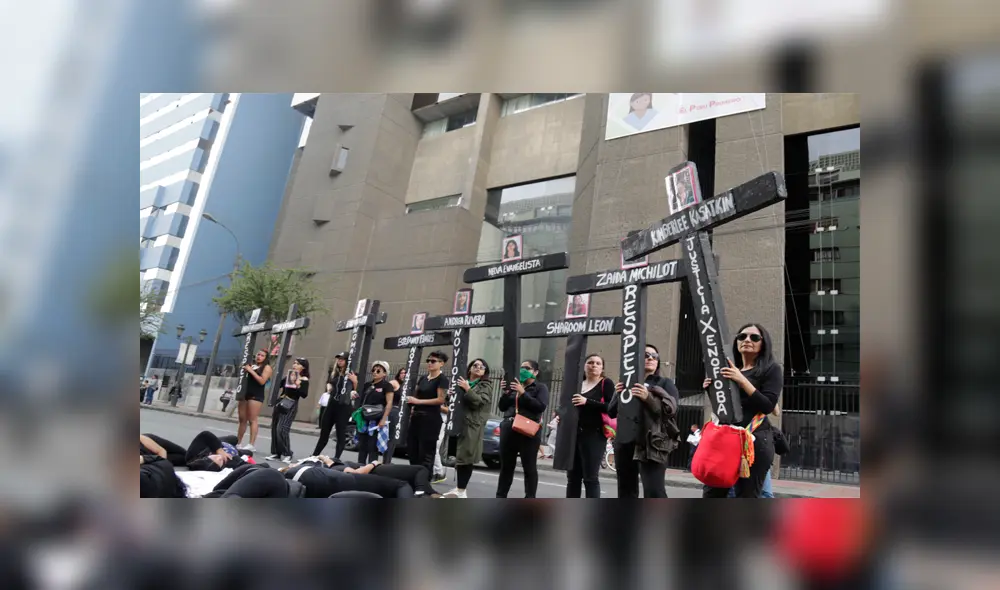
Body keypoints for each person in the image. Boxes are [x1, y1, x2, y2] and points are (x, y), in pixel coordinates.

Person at [701, 323, 782, 498]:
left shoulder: (771, 369)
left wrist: (741, 380)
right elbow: (725, 407)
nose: (747, 340)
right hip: (725, 441)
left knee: (746, 496)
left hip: (754, 442)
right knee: (711, 493)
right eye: (742, 336)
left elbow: (768, 406)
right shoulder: (728, 369)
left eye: (754, 337)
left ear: (763, 343)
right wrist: (711, 389)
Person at [608, 344, 680, 498]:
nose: (650, 358)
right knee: (626, 490)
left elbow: (671, 411)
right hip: (625, 441)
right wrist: (617, 394)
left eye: (654, 356)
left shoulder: (664, 383)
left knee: (654, 491)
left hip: (652, 443)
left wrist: (648, 397)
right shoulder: (626, 382)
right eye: (646, 355)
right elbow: (611, 412)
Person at [495, 360, 549, 498]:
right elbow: (502, 407)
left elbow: (540, 406)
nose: (523, 370)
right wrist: (507, 392)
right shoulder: (513, 386)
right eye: (521, 367)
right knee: (506, 467)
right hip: (509, 429)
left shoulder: (540, 388)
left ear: (535, 372)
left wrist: (523, 393)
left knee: (529, 467)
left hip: (528, 431)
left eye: (527, 368)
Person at [442, 359, 494, 498]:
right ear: (470, 368)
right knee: (459, 457)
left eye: (481, 366)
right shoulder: (462, 382)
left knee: (466, 458)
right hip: (458, 423)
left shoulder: (485, 385)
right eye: (475, 365)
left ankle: (462, 490)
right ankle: (459, 488)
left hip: (472, 425)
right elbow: (451, 403)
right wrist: (450, 395)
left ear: (485, 372)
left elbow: (479, 402)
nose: (478, 368)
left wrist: (467, 389)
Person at [566, 354, 615, 498]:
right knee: (572, 478)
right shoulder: (577, 383)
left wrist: (587, 402)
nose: (594, 365)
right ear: (584, 366)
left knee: (590, 477)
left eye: (598, 363)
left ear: (602, 368)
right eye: (590, 362)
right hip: (574, 434)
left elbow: (611, 408)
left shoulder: (606, 383)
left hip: (594, 434)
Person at [406, 351, 450, 476]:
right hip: (416, 417)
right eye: (428, 361)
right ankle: (414, 476)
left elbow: (441, 399)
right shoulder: (423, 378)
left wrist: (419, 402)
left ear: (441, 363)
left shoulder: (442, 379)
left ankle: (424, 479)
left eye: (433, 361)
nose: (430, 363)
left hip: (431, 419)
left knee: (426, 452)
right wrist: (413, 402)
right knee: (412, 448)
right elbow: (416, 393)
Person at [267, 358, 310, 463]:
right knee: (274, 427)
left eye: (298, 364)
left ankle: (287, 453)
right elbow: (279, 385)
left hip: (291, 404)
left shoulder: (304, 379)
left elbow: (304, 394)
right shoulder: (290, 375)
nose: (295, 365)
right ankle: (276, 453)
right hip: (281, 402)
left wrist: (298, 384)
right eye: (294, 363)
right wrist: (285, 378)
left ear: (303, 367)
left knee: (282, 429)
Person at [353, 360, 395, 465]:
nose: (375, 372)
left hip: (376, 419)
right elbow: (362, 400)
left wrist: (384, 419)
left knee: (373, 447)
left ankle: (371, 469)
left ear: (385, 373)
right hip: (364, 418)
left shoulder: (387, 386)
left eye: (378, 370)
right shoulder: (368, 385)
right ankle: (360, 467)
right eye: (374, 370)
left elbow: (389, 403)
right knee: (362, 446)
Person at [313, 353, 352, 458]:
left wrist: (354, 381)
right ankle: (314, 455)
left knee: (340, 433)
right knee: (324, 431)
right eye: (338, 359)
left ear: (347, 361)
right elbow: (329, 382)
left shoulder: (351, 374)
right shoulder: (335, 372)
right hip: (331, 404)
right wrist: (329, 385)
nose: (339, 361)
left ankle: (336, 458)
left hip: (343, 406)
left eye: (342, 359)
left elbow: (354, 389)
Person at [236, 349, 272, 452]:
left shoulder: (267, 367)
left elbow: (262, 381)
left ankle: (251, 444)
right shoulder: (251, 365)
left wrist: (251, 371)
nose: (259, 357)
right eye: (258, 354)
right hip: (245, 393)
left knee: (252, 419)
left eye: (262, 355)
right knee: (242, 419)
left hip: (256, 395)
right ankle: (238, 442)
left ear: (266, 358)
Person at [382, 367, 408, 463]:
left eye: (406, 373)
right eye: (402, 373)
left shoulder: (407, 386)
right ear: (398, 374)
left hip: (402, 413)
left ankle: (387, 460)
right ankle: (386, 461)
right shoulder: (394, 383)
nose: (404, 375)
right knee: (389, 437)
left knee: (393, 438)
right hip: (393, 410)